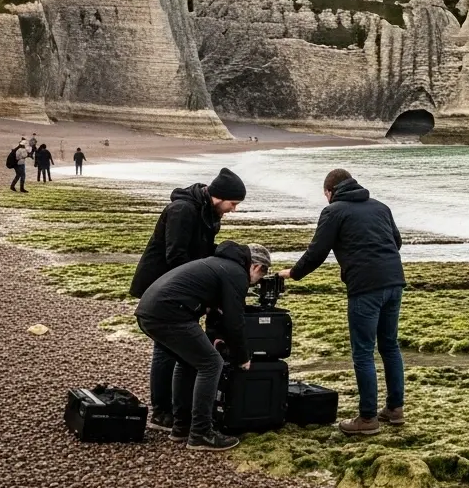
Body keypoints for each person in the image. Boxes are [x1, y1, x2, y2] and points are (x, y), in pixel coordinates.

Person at [278, 169, 405, 435]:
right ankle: (395, 409)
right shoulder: (381, 207)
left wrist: (294, 273)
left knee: (363, 352)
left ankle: (368, 418)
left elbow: (317, 251)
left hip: (365, 287)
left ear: (329, 191)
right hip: (394, 281)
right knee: (390, 346)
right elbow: (396, 241)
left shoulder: (334, 211)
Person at [129, 168, 247, 431]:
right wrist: (199, 288)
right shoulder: (183, 210)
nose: (233, 210)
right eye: (233, 204)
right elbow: (176, 256)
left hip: (183, 291)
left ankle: (178, 412)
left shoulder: (209, 212)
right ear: (220, 197)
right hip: (165, 287)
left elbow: (206, 252)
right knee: (166, 350)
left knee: (180, 354)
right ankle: (162, 412)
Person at [135, 241, 268, 451]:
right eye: (258, 279)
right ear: (257, 267)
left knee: (187, 362)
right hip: (170, 314)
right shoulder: (236, 273)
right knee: (212, 364)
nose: (254, 283)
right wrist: (243, 357)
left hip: (148, 311)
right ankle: (201, 433)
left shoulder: (216, 264)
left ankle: (181, 427)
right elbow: (235, 321)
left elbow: (218, 312)